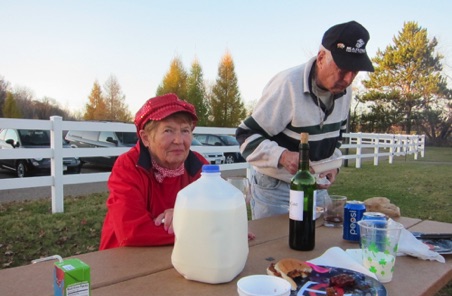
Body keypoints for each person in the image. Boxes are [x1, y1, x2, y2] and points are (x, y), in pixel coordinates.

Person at [236, 21, 374, 219]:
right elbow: (246, 136)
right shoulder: (288, 84)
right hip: (276, 189)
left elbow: (336, 139)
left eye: (355, 71)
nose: (348, 79)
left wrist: (332, 165)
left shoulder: (345, 91)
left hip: (316, 188)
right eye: (343, 69)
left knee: (314, 245)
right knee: (275, 248)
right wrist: (283, 156)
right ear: (321, 57)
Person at [99, 93, 209, 250]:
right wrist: (196, 225)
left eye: (185, 131)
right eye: (168, 131)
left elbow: (220, 210)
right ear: (145, 138)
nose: (178, 140)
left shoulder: (199, 166)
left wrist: (190, 219)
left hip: (182, 254)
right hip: (125, 260)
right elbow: (132, 231)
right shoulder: (128, 166)